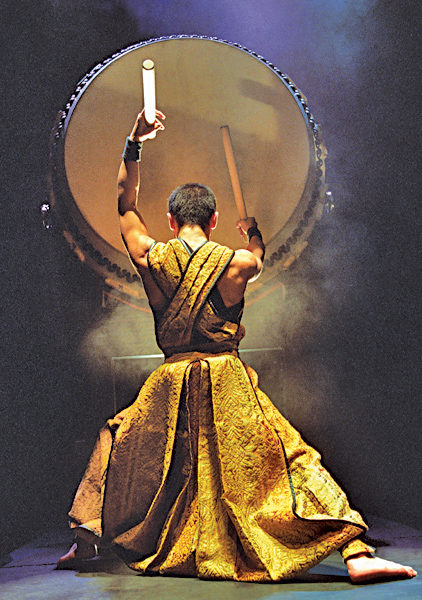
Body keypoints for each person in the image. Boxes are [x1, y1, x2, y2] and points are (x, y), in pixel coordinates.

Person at [57, 110, 416, 584]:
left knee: (116, 438)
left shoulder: (149, 253)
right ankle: (355, 555)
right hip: (226, 378)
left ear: (169, 220)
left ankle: (86, 541)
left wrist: (134, 141)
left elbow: (125, 204)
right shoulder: (239, 262)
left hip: (169, 381)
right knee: (288, 456)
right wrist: (254, 235)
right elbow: (260, 258)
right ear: (214, 219)